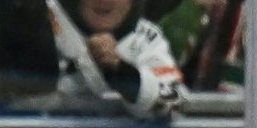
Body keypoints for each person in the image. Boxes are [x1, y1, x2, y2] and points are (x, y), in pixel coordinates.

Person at [49, 0, 183, 118]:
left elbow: (173, 103)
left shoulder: (147, 39)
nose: (103, 1)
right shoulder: (46, 19)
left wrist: (120, 70)